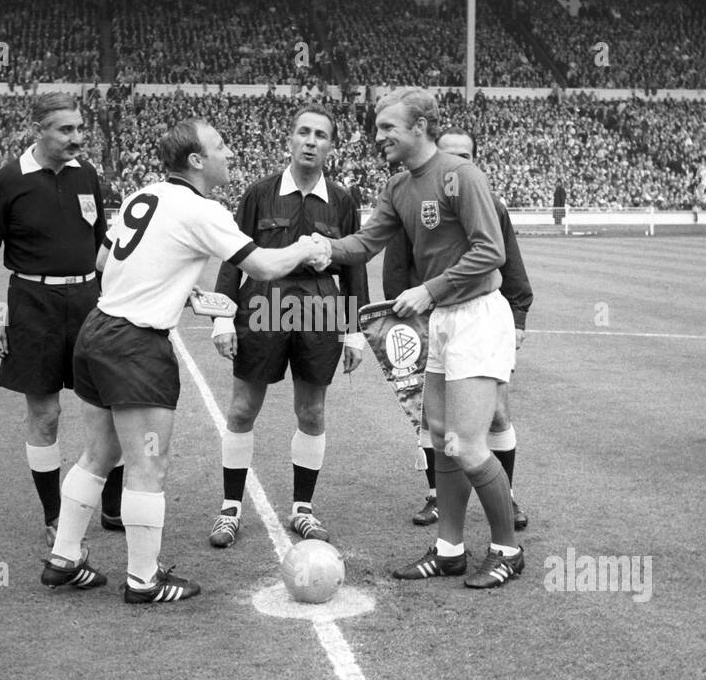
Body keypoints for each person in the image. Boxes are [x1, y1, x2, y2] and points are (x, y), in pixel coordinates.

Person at [41, 118, 326, 603]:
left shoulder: (143, 193)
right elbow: (262, 266)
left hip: (97, 331)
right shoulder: (202, 209)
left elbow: (104, 264)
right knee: (149, 465)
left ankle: (64, 559)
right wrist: (305, 246)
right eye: (220, 146)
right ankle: (143, 580)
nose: (229, 153)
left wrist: (174, 283)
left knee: (99, 454)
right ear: (196, 161)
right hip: (135, 345)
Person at [307, 88, 523, 590]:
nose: (378, 136)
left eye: (388, 128)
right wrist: (323, 248)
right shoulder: (398, 186)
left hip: (475, 315)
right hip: (442, 319)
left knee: (468, 445)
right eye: (378, 127)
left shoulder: (462, 176)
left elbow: (491, 251)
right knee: (442, 442)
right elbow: (366, 242)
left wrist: (429, 289)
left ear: (420, 127)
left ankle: (508, 550)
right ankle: (449, 551)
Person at [206, 105, 369, 549]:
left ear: (331, 146)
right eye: (304, 132)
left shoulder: (343, 199)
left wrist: (355, 328)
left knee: (312, 411)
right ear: (290, 140)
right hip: (263, 304)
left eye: (321, 135)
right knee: (242, 409)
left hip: (320, 309)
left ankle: (302, 509)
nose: (311, 140)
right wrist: (223, 316)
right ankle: (230, 509)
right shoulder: (259, 193)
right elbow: (233, 257)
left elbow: (354, 266)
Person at [0, 92, 124, 548]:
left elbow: (101, 245)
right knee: (46, 414)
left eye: (80, 128)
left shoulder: (88, 175)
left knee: (110, 407)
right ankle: (54, 514)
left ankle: (112, 508)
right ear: (39, 130)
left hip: (88, 302)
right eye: (66, 130)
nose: (78, 138)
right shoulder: (8, 180)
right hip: (32, 303)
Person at [382, 127, 532, 532]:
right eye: (448, 154)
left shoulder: (487, 203)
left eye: (464, 155)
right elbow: (396, 265)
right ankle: (438, 502)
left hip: (480, 317)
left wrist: (517, 318)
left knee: (496, 414)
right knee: (432, 418)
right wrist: (403, 317)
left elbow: (508, 262)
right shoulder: (413, 194)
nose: (455, 163)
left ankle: (506, 501)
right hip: (429, 318)